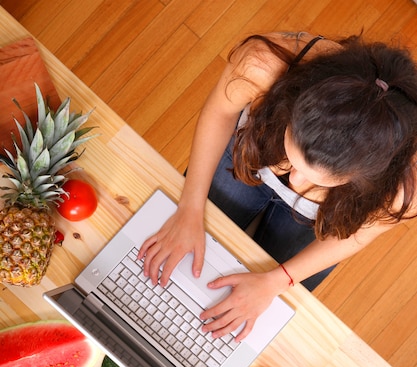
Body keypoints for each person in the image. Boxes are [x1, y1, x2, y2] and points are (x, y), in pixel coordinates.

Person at [138, 32, 417, 341]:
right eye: (293, 159)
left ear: (368, 178)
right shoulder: (263, 64)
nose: (295, 182)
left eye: (316, 178)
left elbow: (354, 236)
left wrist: (275, 282)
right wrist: (189, 208)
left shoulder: (407, 187)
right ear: (290, 106)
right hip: (253, 156)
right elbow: (221, 112)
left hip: (327, 214)